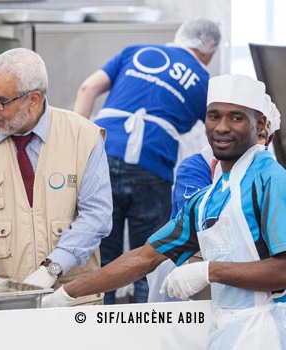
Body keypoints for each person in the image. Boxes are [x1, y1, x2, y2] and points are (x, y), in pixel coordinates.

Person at [45, 74, 286, 349]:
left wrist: (209, 271)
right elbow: (143, 257)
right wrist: (65, 294)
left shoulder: (271, 180)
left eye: (236, 118)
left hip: (268, 332)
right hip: (226, 330)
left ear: (261, 124)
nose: (221, 128)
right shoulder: (207, 199)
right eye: (213, 116)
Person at [0, 48, 112, 305]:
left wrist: (51, 269)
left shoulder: (84, 138)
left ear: (33, 100)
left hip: (70, 300)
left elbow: (96, 217)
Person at [72, 18, 222, 303]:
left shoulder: (136, 51)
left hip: (101, 154)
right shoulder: (203, 81)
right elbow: (218, 133)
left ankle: (96, 336)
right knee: (146, 260)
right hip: (151, 165)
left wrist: (75, 152)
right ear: (209, 50)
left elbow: (87, 89)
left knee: (104, 259)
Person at [146, 106, 280, 303]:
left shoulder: (271, 177)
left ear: (269, 140)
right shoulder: (195, 167)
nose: (252, 145)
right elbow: (206, 228)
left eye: (260, 138)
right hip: (189, 272)